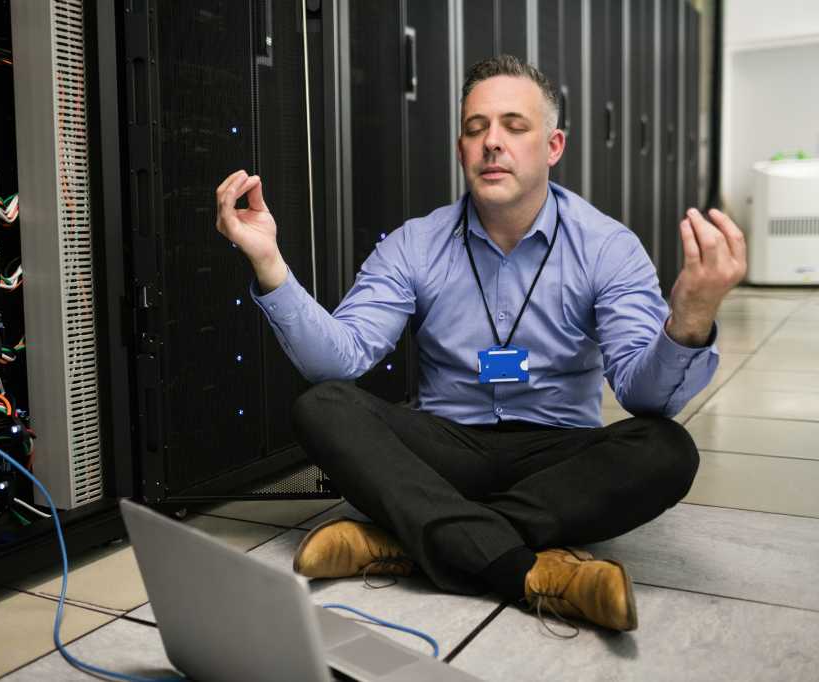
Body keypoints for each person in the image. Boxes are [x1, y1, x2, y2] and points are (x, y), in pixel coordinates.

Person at [213, 55, 746, 635]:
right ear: (462, 148)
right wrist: (269, 263)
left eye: (515, 127)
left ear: (553, 146)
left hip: (558, 456)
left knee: (667, 448)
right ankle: (531, 568)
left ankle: (406, 539)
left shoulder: (608, 247)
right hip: (446, 449)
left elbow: (647, 397)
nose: (493, 142)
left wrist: (690, 316)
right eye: (476, 128)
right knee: (322, 408)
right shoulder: (415, 244)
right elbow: (338, 361)